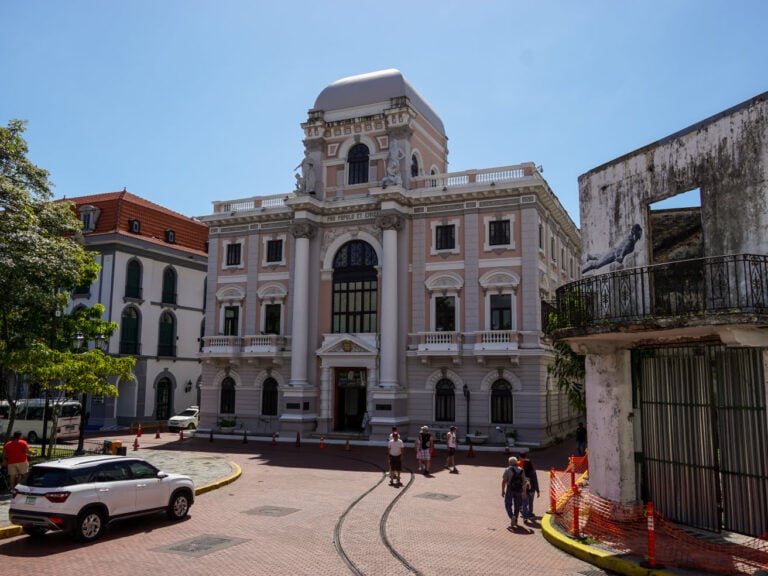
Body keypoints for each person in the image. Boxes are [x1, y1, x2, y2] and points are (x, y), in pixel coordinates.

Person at [501, 456, 528, 528]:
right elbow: (525, 482)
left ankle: (511, 516)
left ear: (510, 462)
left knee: (508, 503)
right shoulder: (521, 470)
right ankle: (515, 519)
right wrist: (524, 491)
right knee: (517, 505)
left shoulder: (507, 470)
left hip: (510, 489)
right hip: (519, 489)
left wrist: (503, 490)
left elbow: (504, 481)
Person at [521, 457, 539, 523]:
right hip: (532, 489)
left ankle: (525, 517)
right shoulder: (533, 472)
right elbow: (535, 481)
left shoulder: (522, 471)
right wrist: (538, 490)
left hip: (524, 490)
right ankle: (530, 514)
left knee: (525, 504)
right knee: (531, 503)